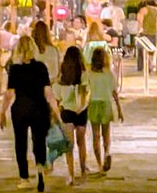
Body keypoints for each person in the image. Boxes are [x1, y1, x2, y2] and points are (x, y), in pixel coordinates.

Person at [0, 35, 61, 192]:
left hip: (20, 108)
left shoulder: (15, 69)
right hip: (39, 108)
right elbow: (48, 92)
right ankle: (40, 168)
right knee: (38, 140)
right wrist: (57, 112)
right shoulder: (41, 67)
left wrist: (2, 112)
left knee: (20, 142)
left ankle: (24, 178)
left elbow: (9, 93)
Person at [53, 44, 90, 184]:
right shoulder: (84, 73)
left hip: (67, 110)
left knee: (69, 145)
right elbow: (85, 92)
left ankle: (70, 174)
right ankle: (83, 169)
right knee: (81, 143)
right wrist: (82, 106)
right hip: (81, 110)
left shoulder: (63, 74)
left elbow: (57, 94)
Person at [85, 44, 123, 172]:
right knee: (106, 133)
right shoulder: (109, 74)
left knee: (95, 135)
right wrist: (119, 109)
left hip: (94, 103)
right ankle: (107, 152)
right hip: (106, 103)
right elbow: (114, 92)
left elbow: (85, 91)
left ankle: (100, 164)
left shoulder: (90, 74)